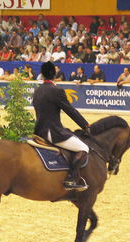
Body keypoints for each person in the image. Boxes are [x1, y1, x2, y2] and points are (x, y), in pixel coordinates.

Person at [32, 61, 90, 191]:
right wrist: (85, 125)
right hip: (52, 132)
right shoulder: (56, 91)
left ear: (42, 74)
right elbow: (70, 110)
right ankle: (72, 178)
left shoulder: (37, 91)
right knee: (83, 148)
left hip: (38, 131)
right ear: (54, 74)